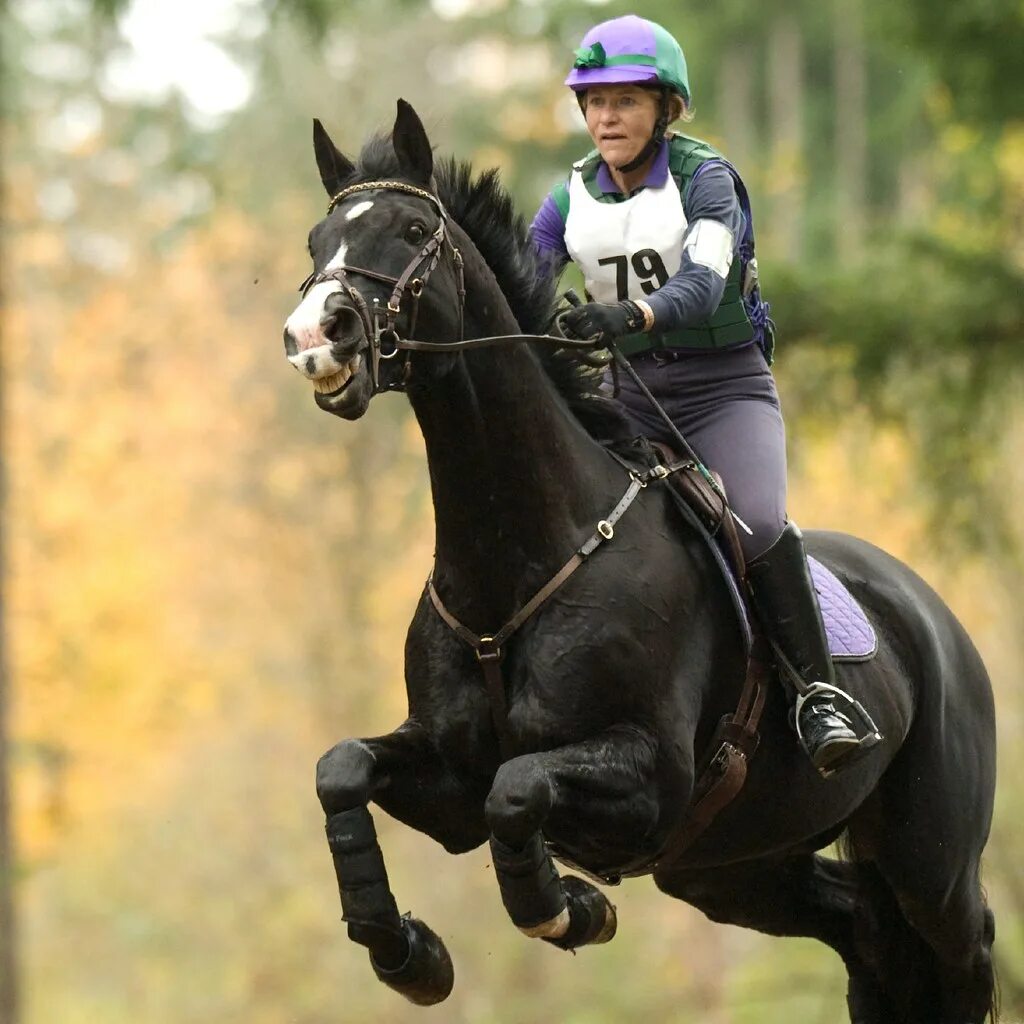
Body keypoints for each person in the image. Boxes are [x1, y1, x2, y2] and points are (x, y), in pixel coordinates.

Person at [530, 13, 879, 776]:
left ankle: (820, 694)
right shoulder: (567, 199)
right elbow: (524, 277)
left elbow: (705, 279)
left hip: (722, 389)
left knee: (752, 521)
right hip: (626, 393)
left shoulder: (704, 178)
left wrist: (628, 314)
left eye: (623, 101)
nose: (604, 118)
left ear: (666, 107)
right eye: (592, 103)